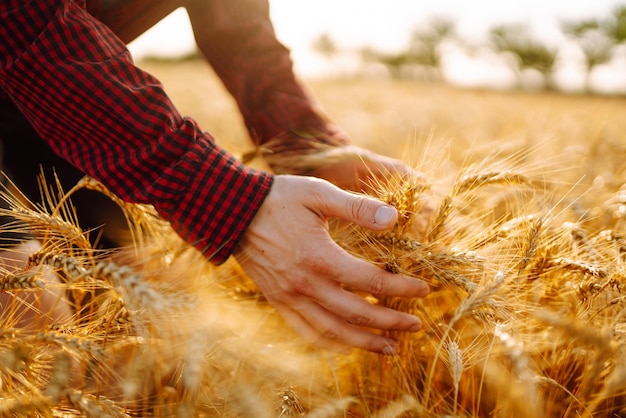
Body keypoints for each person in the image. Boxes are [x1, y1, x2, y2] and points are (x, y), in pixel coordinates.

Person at [0, 0, 430, 355]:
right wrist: (232, 202)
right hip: (49, 67)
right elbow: (21, 16)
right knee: (35, 331)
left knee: (145, 339)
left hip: (65, 97)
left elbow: (239, 29)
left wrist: (312, 149)